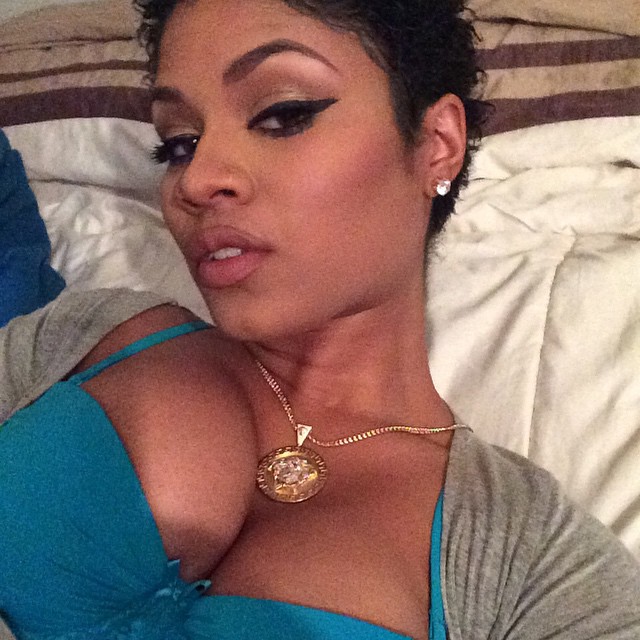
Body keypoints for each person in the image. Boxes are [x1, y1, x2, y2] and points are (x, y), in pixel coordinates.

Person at [0, 0, 639, 638]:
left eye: (283, 114)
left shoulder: (540, 564)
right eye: (179, 144)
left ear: (437, 145)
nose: (196, 180)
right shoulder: (81, 337)